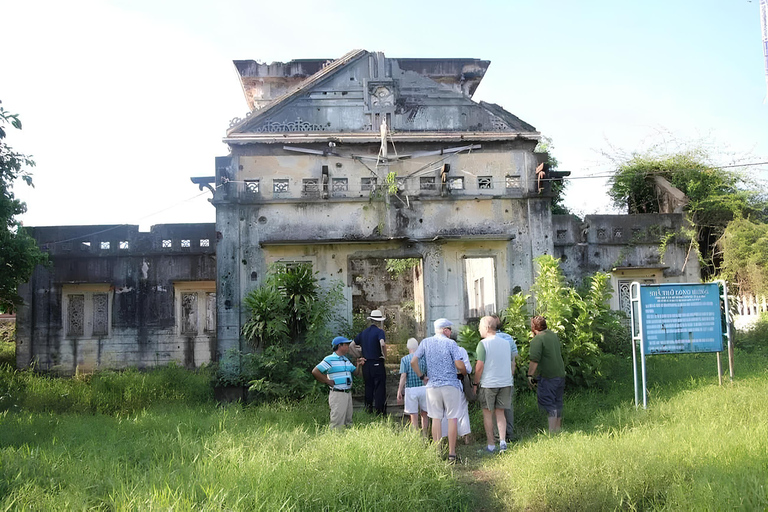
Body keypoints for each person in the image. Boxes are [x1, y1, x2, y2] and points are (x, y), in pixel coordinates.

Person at [411, 318, 466, 464]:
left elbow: (413, 361)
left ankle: (436, 451)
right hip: (450, 385)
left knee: (435, 418)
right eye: (450, 330)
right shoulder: (451, 343)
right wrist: (464, 371)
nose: (450, 333)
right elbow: (459, 364)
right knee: (452, 418)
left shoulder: (425, 342)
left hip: (432, 386)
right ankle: (452, 454)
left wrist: (422, 376)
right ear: (445, 330)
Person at [473, 315, 514, 454]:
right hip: (505, 382)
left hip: (489, 384)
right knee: (500, 412)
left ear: (486, 327)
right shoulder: (505, 343)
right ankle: (503, 442)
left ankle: (491, 445)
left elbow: (479, 367)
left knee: (487, 414)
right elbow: (511, 362)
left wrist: (475, 382)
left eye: (480, 327)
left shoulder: (483, 344)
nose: (479, 330)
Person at [312, 336, 365, 429]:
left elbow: (355, 373)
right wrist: (327, 381)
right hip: (337, 393)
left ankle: (346, 439)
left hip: (347, 393)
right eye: (346, 345)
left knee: (348, 419)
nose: (348, 347)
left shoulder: (345, 359)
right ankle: (335, 438)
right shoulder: (329, 359)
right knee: (337, 420)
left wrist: (358, 365)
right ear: (340, 346)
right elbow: (315, 371)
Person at [527, 315, 566, 433]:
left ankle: (551, 431)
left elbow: (534, 360)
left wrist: (529, 376)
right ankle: (558, 429)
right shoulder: (553, 335)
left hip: (548, 376)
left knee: (548, 403)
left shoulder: (537, 340)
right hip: (560, 373)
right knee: (557, 401)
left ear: (533, 328)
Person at [353, 309, 387, 414]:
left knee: (368, 386)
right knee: (379, 387)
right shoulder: (380, 332)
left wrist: (358, 355)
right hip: (377, 362)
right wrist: (384, 355)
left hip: (366, 364)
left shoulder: (363, 333)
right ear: (379, 321)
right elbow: (382, 343)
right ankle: (380, 411)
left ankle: (368, 410)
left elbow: (351, 345)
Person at [440, 342, 472, 445]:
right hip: (458, 383)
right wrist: (461, 370)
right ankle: (465, 436)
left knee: (446, 411)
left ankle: (445, 437)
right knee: (462, 409)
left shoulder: (440, 352)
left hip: (444, 384)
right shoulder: (461, 350)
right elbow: (468, 369)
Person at [493, 315, 518, 442]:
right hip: (507, 378)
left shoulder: (488, 339)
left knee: (495, 408)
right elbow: (514, 357)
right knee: (507, 407)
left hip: (493, 379)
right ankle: (509, 434)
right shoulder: (508, 338)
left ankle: (497, 435)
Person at [397, 337, 429, 437]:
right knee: (425, 413)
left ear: (408, 347)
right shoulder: (423, 359)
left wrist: (399, 390)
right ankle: (425, 434)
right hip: (424, 388)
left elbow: (403, 376)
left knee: (413, 415)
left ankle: (415, 435)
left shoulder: (405, 359)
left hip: (411, 389)